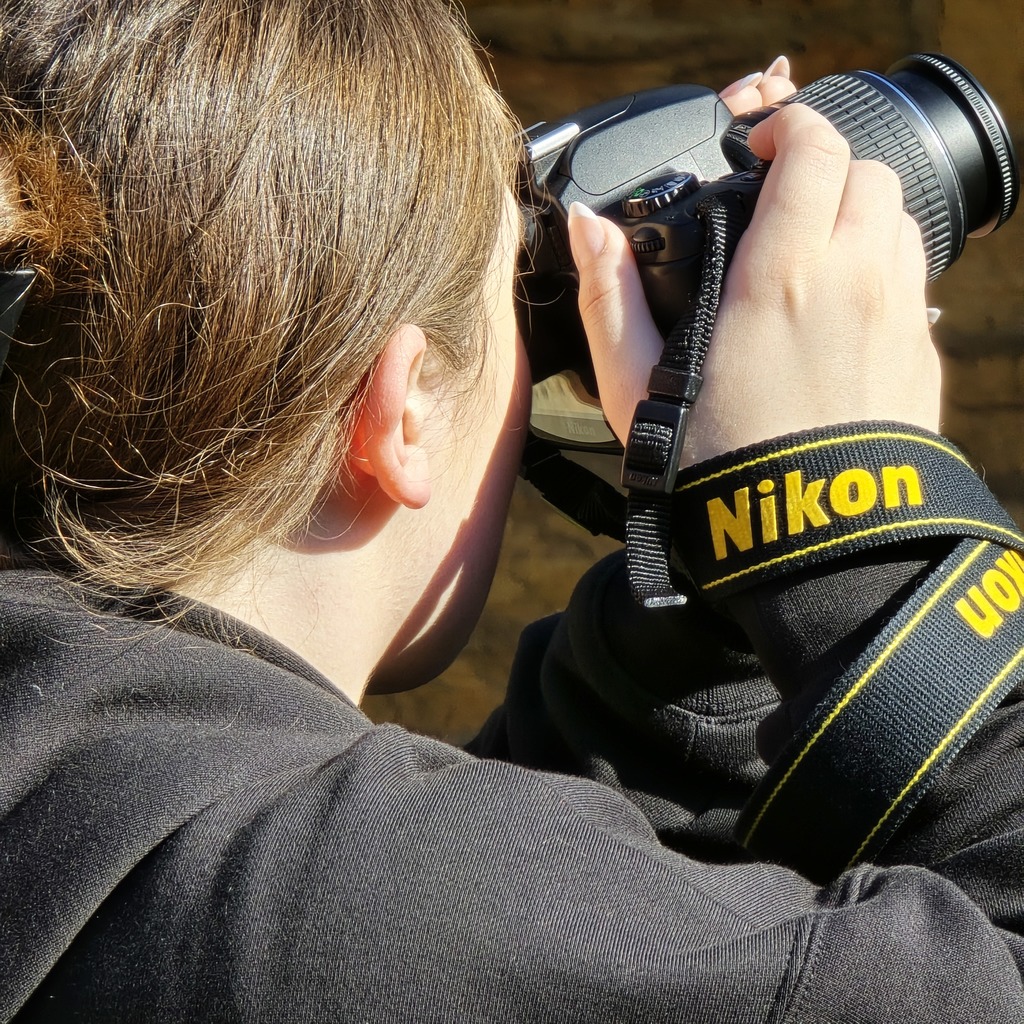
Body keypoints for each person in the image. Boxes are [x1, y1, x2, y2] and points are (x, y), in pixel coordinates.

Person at [0, 1, 1020, 1021]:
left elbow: (553, 891)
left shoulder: (109, 805)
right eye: (515, 299)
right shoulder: (349, 910)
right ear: (401, 409)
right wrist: (848, 526)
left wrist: (718, 587)